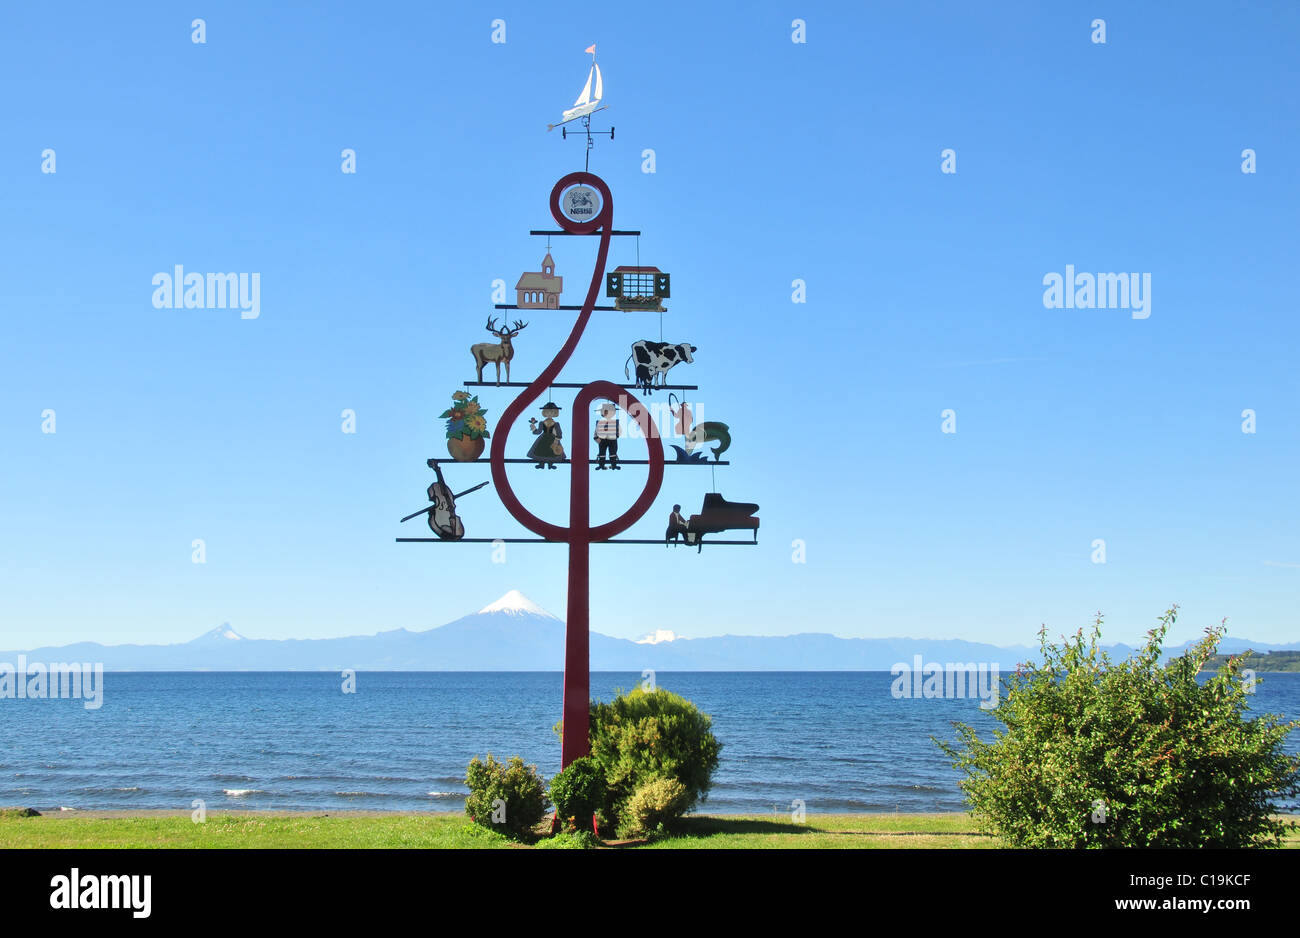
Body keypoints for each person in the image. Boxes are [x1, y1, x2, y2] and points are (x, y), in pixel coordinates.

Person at [527, 402, 564, 469]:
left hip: (553, 439)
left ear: (555, 413)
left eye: (551, 412)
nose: (549, 414)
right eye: (547, 412)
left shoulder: (556, 424)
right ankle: (541, 464)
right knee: (541, 451)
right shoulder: (542, 423)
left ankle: (550, 464)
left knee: (552, 452)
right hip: (543, 439)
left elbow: (559, 432)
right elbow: (539, 431)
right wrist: (534, 429)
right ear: (544, 413)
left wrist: (557, 439)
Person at [594, 402, 620, 470]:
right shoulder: (600, 422)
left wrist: (616, 435)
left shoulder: (615, 422)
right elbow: (596, 431)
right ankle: (601, 465)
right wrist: (596, 438)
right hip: (603, 439)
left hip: (612, 439)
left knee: (613, 452)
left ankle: (613, 464)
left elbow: (618, 431)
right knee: (602, 453)